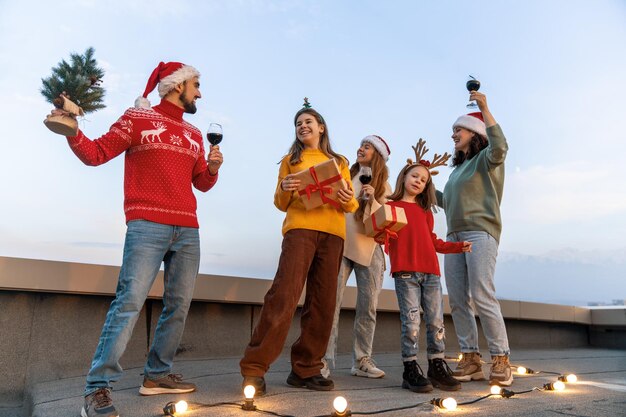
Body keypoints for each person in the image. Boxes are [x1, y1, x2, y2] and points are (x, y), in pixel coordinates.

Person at [48, 61, 224, 417]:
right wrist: (71, 129)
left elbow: (200, 184)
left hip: (188, 229)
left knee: (179, 305)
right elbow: (96, 154)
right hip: (146, 225)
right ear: (176, 86)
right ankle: (97, 388)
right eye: (196, 85)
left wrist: (213, 170)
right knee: (129, 303)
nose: (199, 93)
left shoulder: (192, 134)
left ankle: (156, 375)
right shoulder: (137, 119)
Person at [239, 100, 358, 395]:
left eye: (308, 122)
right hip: (300, 230)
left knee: (323, 303)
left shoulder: (340, 162)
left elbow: (352, 204)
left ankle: (306, 368)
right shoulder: (290, 161)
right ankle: (254, 368)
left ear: (321, 127)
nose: (302, 126)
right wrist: (285, 188)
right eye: (298, 123)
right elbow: (280, 203)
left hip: (333, 234)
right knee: (284, 294)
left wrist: (345, 195)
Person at [436, 91, 512, 386]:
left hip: (480, 232)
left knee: (482, 293)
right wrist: (424, 186)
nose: (453, 134)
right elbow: (448, 203)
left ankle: (500, 358)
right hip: (454, 236)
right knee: (457, 300)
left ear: (475, 133)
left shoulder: (486, 159)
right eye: (454, 129)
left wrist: (484, 107)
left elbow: (501, 146)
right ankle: (470, 359)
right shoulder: (457, 171)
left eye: (458, 129)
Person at [382, 141, 471, 393]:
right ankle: (410, 369)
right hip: (406, 273)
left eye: (423, 180)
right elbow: (380, 235)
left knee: (435, 322)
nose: (419, 181)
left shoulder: (425, 212)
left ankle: (436, 365)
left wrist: (456, 246)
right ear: (404, 176)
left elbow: (433, 241)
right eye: (415, 176)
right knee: (411, 323)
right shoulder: (391, 207)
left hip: (431, 274)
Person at [323, 135, 391, 379]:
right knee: (330, 304)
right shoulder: (345, 174)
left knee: (368, 307)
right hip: (341, 245)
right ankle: (324, 360)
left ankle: (361, 360)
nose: (361, 149)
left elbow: (385, 223)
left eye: (367, 146)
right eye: (361, 145)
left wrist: (372, 200)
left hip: (370, 249)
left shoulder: (384, 185)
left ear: (378, 155)